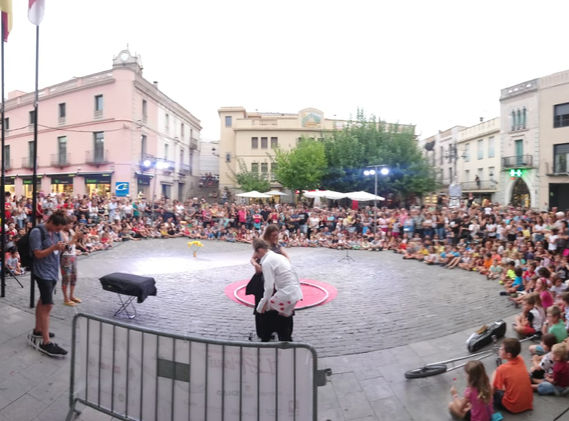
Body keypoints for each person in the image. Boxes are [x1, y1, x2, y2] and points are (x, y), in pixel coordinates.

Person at [30, 210, 69, 357]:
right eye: (57, 228)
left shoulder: (56, 232)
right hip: (42, 273)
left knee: (43, 301)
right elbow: (37, 254)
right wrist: (54, 248)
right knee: (48, 305)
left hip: (52, 271)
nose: (58, 231)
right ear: (51, 222)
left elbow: (58, 249)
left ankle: (38, 330)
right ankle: (46, 343)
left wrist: (62, 247)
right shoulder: (37, 232)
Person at [252, 238, 302, 341]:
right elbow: (294, 273)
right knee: (283, 317)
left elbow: (269, 287)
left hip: (286, 292)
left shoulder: (267, 262)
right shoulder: (279, 257)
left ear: (260, 250)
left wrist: (263, 302)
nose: (256, 256)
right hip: (295, 291)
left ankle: (266, 338)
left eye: (256, 253)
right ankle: (284, 340)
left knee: (263, 310)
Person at [491, 337, 533, 414]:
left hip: (513, 406)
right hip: (528, 403)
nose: (499, 349)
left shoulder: (502, 369)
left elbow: (493, 390)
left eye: (501, 349)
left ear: (509, 355)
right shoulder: (520, 359)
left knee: (495, 375)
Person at [60, 220, 81, 306]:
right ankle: (66, 298)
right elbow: (65, 247)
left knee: (74, 276)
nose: (71, 225)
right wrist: (74, 238)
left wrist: (77, 237)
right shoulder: (61, 233)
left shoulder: (71, 231)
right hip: (65, 256)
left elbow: (74, 243)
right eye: (69, 224)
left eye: (72, 224)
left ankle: (71, 296)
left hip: (73, 255)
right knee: (66, 278)